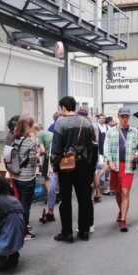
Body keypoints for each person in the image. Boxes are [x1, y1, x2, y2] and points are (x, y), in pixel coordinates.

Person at [51, 96, 94, 243]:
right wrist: (88, 166)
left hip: (65, 166)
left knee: (66, 200)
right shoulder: (86, 122)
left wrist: (55, 166)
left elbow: (56, 148)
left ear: (63, 107)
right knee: (83, 199)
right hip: (82, 166)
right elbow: (91, 147)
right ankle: (84, 231)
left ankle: (67, 233)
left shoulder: (60, 123)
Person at [104, 107, 138, 232]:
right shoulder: (111, 132)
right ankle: (121, 210)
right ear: (118, 117)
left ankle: (123, 220)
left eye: (127, 116)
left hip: (128, 165)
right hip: (115, 165)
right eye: (122, 116)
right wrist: (109, 160)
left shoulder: (134, 131)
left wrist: (137, 154)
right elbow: (106, 148)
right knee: (117, 191)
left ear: (129, 117)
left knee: (125, 192)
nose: (125, 119)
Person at [12, 116, 38, 241]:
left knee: (21, 202)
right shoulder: (31, 142)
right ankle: (24, 232)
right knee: (26, 206)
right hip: (28, 177)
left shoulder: (15, 140)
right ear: (28, 127)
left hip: (16, 176)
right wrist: (36, 149)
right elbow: (33, 161)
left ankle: (18, 228)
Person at [33, 123, 53, 197]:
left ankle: (50, 197)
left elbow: (43, 150)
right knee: (54, 176)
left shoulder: (38, 135)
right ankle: (57, 195)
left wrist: (37, 155)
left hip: (48, 155)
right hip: (55, 155)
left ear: (34, 130)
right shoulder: (47, 133)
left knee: (46, 177)